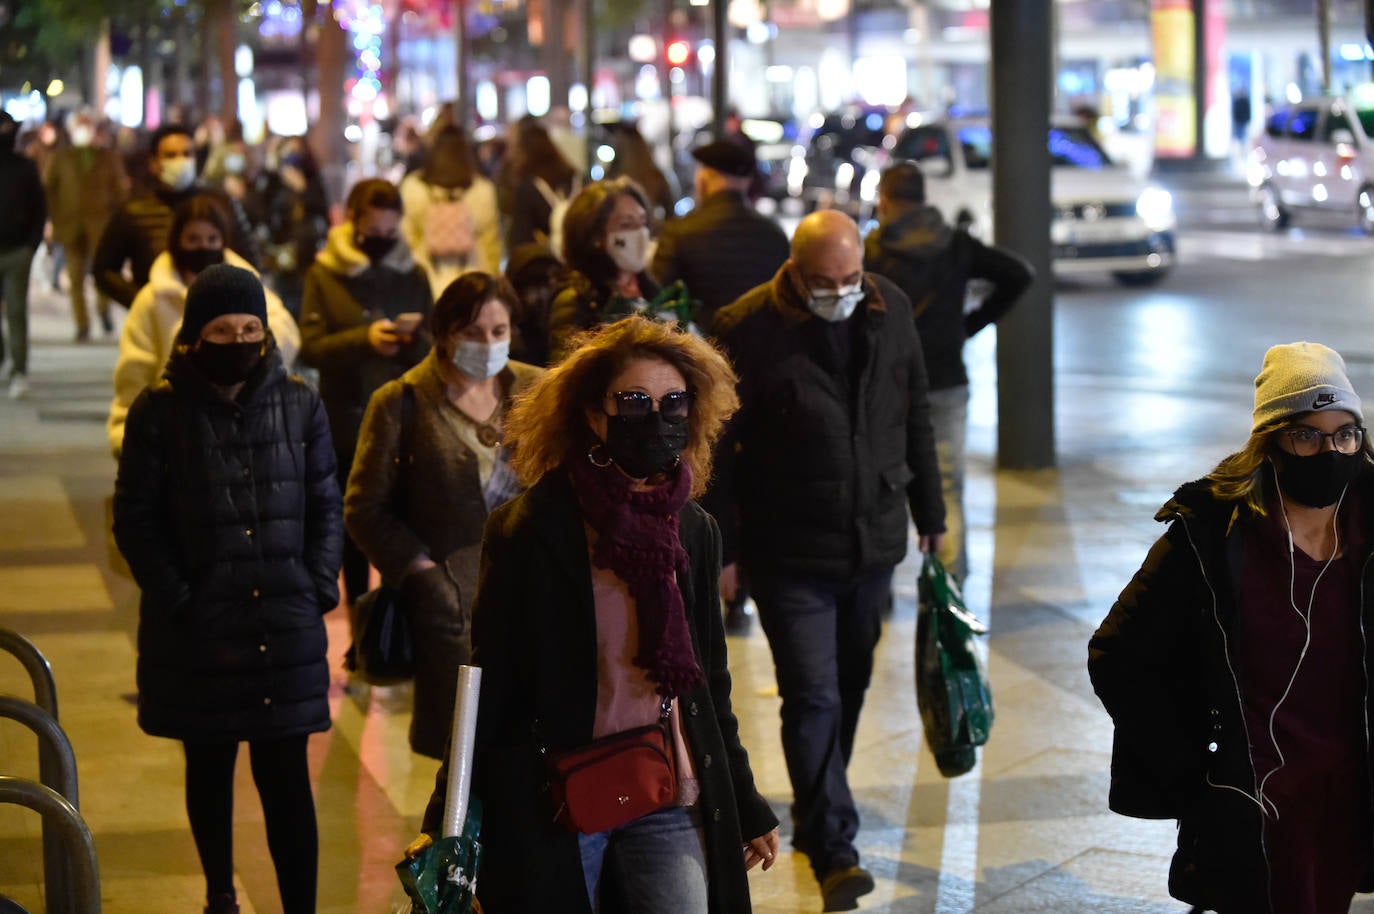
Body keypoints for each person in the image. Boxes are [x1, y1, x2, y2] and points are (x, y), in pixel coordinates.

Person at [407, 314, 780, 913]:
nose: (655, 418)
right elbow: (490, 682)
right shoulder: (531, 529)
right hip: (559, 794)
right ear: (591, 413)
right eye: (633, 402)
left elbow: (709, 682)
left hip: (665, 789)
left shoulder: (692, 529)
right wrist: (448, 813)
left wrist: (744, 797)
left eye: (673, 403)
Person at [707, 209, 945, 912]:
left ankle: (819, 805)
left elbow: (916, 411)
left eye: (849, 278)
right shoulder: (747, 325)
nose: (839, 292)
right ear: (794, 268)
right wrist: (725, 548)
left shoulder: (889, 305)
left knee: (851, 682)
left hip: (872, 539)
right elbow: (718, 449)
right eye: (822, 281)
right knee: (812, 693)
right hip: (788, 550)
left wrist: (931, 515)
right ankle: (833, 843)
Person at [1089, 342, 1374, 914]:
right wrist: (1196, 767)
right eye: (1307, 436)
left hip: (1350, 790)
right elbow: (1117, 653)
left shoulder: (1369, 526)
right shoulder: (1212, 536)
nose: (1329, 451)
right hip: (1257, 799)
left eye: (1345, 434)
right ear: (1272, 442)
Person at [112, 264, 343, 914]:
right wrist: (179, 596)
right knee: (208, 767)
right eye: (222, 328)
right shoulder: (159, 412)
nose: (239, 340)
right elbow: (136, 519)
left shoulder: (301, 402)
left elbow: (327, 502)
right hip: (198, 632)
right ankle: (219, 891)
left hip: (284, 624)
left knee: (287, 779)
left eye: (250, 327)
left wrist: (318, 585)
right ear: (193, 336)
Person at [344, 272, 542, 759]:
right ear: (444, 332)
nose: (489, 344)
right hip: (451, 612)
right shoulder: (401, 402)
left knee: (533, 749)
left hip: (535, 599)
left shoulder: (536, 390)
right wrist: (424, 576)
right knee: (460, 758)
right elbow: (364, 508)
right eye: (472, 333)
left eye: (499, 332)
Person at [863, 161, 1033, 582]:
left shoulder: (871, 250)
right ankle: (950, 588)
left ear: (884, 199)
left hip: (885, 384)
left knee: (878, 483)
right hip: (944, 380)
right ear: (924, 198)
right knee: (945, 486)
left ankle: (876, 589)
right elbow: (1018, 274)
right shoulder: (957, 244)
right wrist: (967, 325)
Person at [299, 178, 432, 616]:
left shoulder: (412, 272)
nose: (379, 241)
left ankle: (399, 635)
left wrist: (409, 339)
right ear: (353, 223)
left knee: (405, 525)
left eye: (388, 233)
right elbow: (312, 345)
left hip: (405, 418)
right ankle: (361, 630)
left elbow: (434, 341)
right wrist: (364, 339)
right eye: (371, 233)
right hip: (346, 419)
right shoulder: (325, 273)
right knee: (352, 529)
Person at [107, 194, 302, 457]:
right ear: (178, 242)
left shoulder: (248, 290)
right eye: (194, 239)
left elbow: (285, 333)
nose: (203, 247)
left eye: (212, 239)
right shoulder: (153, 300)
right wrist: (128, 436)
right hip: (174, 435)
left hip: (244, 431)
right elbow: (134, 372)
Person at [93, 124, 261, 309]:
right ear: (153, 163)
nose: (180, 161)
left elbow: (250, 262)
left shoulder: (221, 205)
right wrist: (142, 301)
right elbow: (104, 270)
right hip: (157, 324)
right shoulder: (134, 211)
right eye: (171, 155)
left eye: (187, 154)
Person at [651, 140, 790, 334]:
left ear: (704, 179)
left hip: (702, 351)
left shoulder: (679, 231)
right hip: (762, 351)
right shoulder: (775, 234)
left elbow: (658, 298)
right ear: (747, 182)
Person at [546, 178, 665, 361]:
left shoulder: (651, 288)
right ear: (595, 236)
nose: (641, 234)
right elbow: (566, 373)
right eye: (626, 225)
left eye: (642, 222)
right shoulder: (576, 299)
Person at [42, 109, 128, 341]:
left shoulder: (107, 157)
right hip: (69, 226)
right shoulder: (60, 158)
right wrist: (52, 220)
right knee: (75, 278)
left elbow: (121, 192)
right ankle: (82, 324)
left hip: (101, 226)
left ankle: (103, 308)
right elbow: (49, 190)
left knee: (102, 273)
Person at [399, 125, 502, 299]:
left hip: (427, 277)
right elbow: (491, 242)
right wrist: (492, 277)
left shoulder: (413, 187)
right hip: (473, 278)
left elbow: (407, 238)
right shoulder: (482, 189)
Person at [257, 136, 330, 319]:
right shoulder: (273, 179)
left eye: (297, 152)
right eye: (289, 151)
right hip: (281, 249)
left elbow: (322, 210)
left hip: (307, 248)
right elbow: (261, 208)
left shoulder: (312, 179)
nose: (293, 157)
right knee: (282, 295)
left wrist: (303, 190)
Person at [0, 111, 46, 400]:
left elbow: (39, 209)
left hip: (18, 250)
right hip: (18, 246)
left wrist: (32, 244)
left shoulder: (25, 168)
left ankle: (19, 370)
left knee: (16, 311)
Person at [500, 120, 579, 252]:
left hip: (548, 264)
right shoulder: (576, 178)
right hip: (581, 262)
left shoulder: (527, 189)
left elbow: (520, 240)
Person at [503, 242, 564, 367]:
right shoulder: (508, 335)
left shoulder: (566, 315)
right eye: (533, 285)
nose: (543, 295)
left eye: (549, 283)